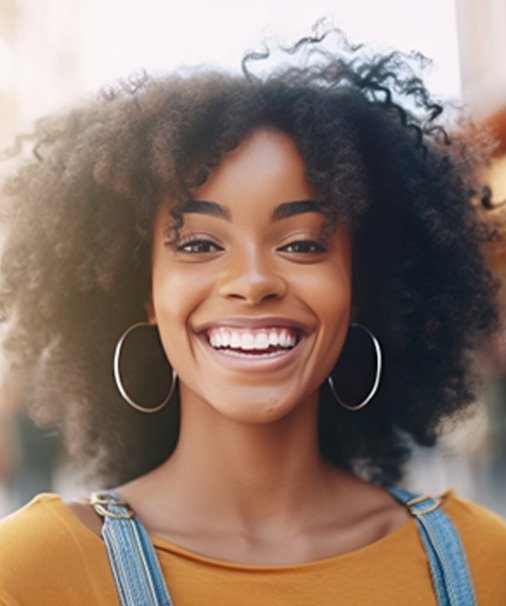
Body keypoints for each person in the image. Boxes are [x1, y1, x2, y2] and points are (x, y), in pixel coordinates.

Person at [0, 26, 505, 605]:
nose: (253, 282)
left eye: (303, 244)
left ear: (361, 285)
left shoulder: (484, 562)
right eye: (197, 245)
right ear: (141, 292)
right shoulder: (33, 574)